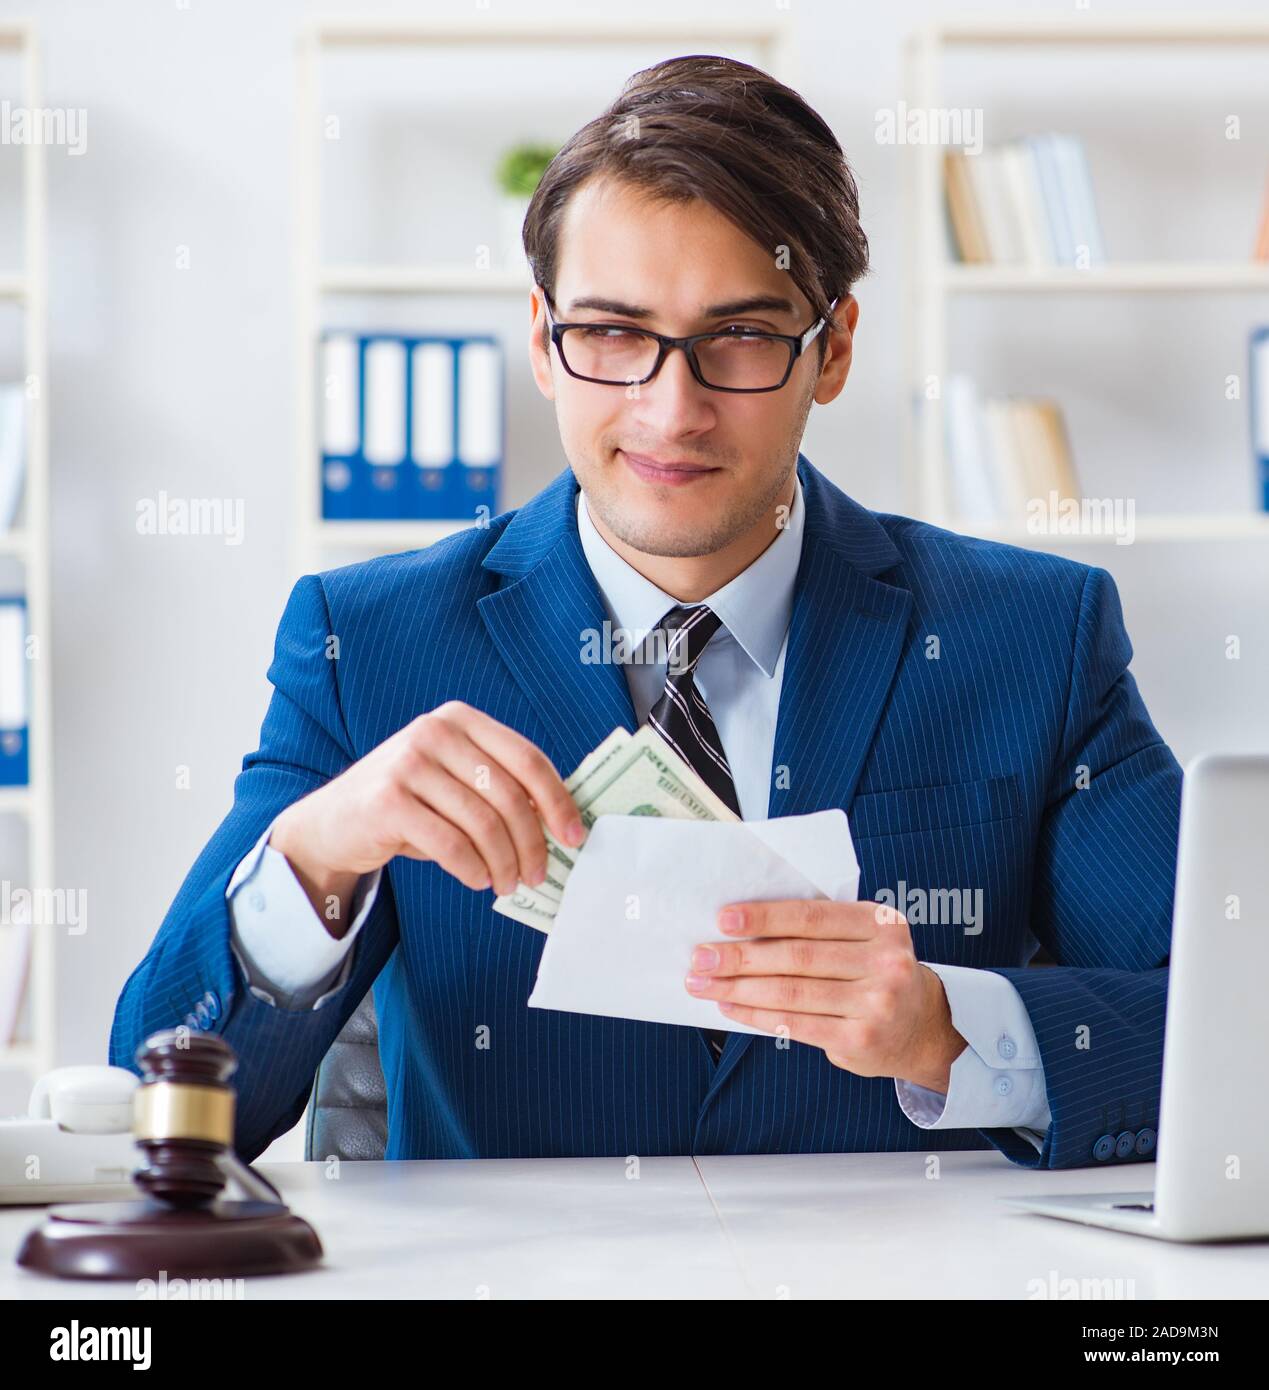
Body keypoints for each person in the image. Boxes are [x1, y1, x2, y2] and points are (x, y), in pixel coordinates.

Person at [111, 55, 1179, 1168]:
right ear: (543, 341)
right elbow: (163, 1101)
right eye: (614, 334)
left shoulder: (1031, 636)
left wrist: (951, 1029)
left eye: (741, 337)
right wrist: (317, 854)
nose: (672, 412)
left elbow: (1227, 1022)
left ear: (836, 349)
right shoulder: (366, 643)